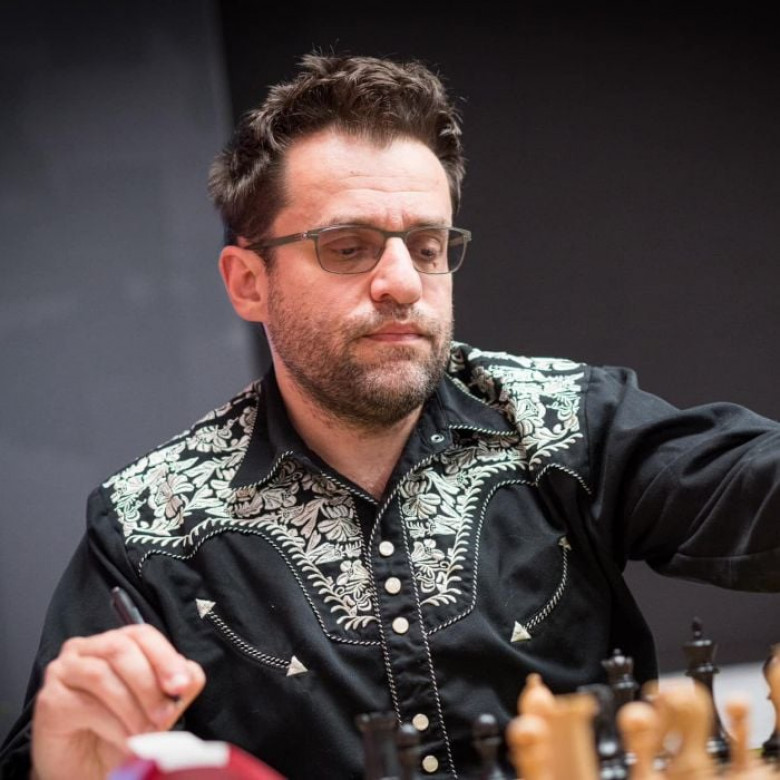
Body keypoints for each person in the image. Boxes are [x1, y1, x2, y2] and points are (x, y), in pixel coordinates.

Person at [1, 51, 778, 780]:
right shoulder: (150, 523)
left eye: (428, 245)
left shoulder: (565, 423)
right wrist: (67, 758)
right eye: (348, 246)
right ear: (247, 282)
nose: (403, 283)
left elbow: (754, 485)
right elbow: (64, 750)